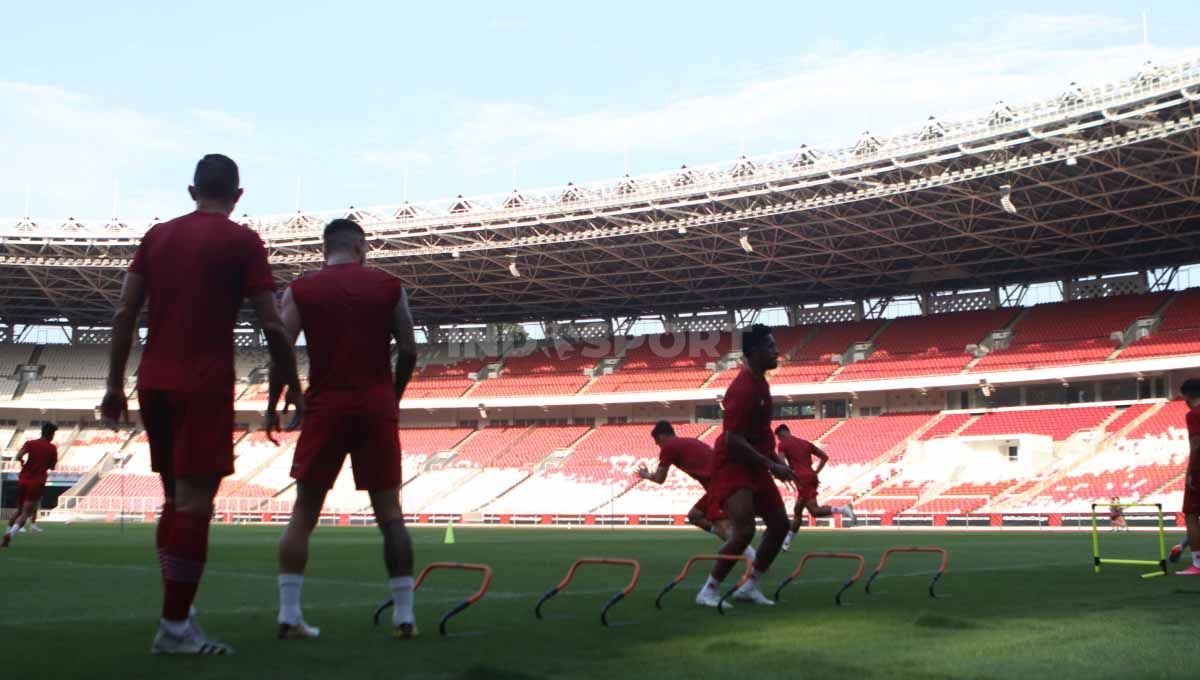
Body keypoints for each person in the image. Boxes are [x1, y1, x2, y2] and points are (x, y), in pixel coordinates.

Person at [100, 154, 303, 655]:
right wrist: (290, 387)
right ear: (238, 195)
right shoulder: (242, 241)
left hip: (153, 380)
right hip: (203, 383)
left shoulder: (156, 237)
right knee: (195, 505)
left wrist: (113, 385)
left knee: (173, 501)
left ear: (192, 191)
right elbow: (273, 323)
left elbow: (126, 310)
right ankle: (173, 628)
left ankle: (179, 613)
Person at [271, 219, 419, 640]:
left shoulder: (300, 290)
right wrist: (393, 394)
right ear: (359, 246)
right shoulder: (389, 287)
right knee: (390, 514)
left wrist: (290, 395)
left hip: (326, 405)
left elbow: (282, 348)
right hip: (375, 404)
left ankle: (288, 614)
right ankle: (404, 615)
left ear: (325, 249)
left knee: (304, 513)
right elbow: (408, 348)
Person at [695, 324, 796, 608]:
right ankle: (708, 591)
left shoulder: (762, 384)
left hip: (755, 463)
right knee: (744, 530)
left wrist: (778, 463)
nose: (776, 350)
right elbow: (733, 439)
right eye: (769, 346)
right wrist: (770, 464)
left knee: (779, 525)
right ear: (753, 352)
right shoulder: (742, 389)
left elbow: (762, 435)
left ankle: (749, 586)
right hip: (733, 465)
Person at [636, 420, 755, 562]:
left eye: (656, 441)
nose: (657, 445)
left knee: (722, 524)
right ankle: (733, 543)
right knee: (695, 515)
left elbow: (660, 478)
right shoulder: (688, 441)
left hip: (719, 484)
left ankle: (751, 558)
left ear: (661, 437)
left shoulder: (669, 447)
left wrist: (646, 475)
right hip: (720, 482)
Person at [774, 424, 855, 551]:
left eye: (779, 437)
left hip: (801, 479)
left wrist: (787, 473)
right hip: (810, 476)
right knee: (798, 510)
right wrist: (816, 471)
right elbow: (824, 456)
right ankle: (787, 542)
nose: (779, 440)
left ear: (782, 434)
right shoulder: (805, 443)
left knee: (814, 511)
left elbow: (781, 461)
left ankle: (843, 509)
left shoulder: (783, 444)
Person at [2, 423, 58, 547]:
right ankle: (10, 535)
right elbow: (52, 466)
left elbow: (18, 456)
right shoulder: (52, 448)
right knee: (26, 513)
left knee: (19, 510)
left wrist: (23, 462)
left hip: (23, 480)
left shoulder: (30, 443)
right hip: (37, 482)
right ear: (51, 434)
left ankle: (6, 535)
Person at [1177, 379, 1200, 575]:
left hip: (1199, 470)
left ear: (1188, 395)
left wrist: (1190, 473)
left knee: (1191, 516)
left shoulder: (1193, 414)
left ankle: (1198, 564)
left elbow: (1196, 444)